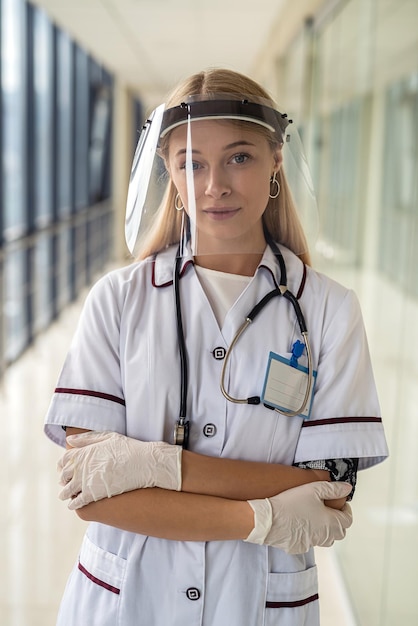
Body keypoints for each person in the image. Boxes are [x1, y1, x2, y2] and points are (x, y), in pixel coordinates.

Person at [45, 68, 388, 626]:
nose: (214, 185)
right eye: (192, 163)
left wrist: (148, 466)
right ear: (170, 173)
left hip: (258, 605)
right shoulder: (118, 299)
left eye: (240, 157)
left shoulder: (327, 309)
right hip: (124, 603)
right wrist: (260, 517)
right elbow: (93, 493)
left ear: (276, 160)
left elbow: (329, 487)